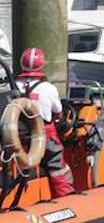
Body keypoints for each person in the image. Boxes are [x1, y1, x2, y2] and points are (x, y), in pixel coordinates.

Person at [16, 48, 74, 198]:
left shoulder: (14, 86)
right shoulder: (49, 88)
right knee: (57, 166)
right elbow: (58, 112)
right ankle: (66, 198)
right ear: (41, 64)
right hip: (44, 134)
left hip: (18, 137)